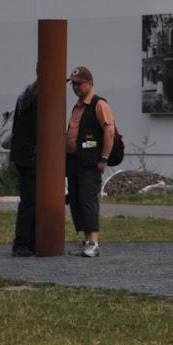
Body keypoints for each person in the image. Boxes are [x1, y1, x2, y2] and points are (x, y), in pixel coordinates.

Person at [64, 65, 116, 257]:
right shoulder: (77, 106)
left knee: (88, 200)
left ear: (89, 83)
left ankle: (94, 242)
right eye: (73, 84)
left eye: (78, 84)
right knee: (76, 200)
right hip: (74, 161)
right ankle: (86, 241)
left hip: (91, 162)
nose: (75, 87)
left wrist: (103, 158)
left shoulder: (99, 104)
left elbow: (109, 131)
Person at [9, 73, 38, 257]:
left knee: (31, 200)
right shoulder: (31, 100)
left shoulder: (27, 98)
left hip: (26, 157)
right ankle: (22, 243)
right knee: (29, 201)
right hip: (29, 158)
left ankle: (29, 241)